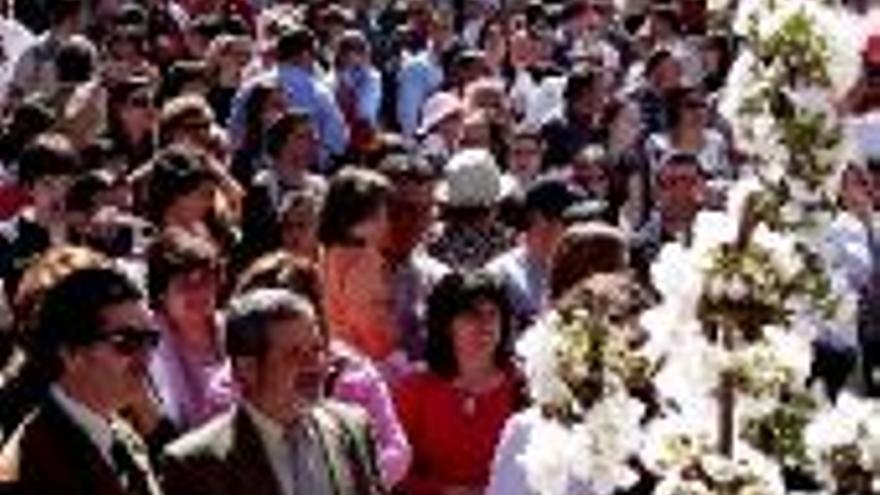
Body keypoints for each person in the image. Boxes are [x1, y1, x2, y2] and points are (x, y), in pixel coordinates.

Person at [161, 288, 386, 495]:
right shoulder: (197, 464)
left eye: (317, 349)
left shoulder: (352, 427)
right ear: (247, 369)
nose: (314, 365)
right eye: (294, 354)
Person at [0, 266, 164, 495]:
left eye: (151, 340)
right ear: (70, 353)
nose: (146, 359)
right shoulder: (28, 468)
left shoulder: (120, 433)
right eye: (126, 343)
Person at [394, 270, 522, 495]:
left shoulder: (525, 385)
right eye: (471, 315)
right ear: (446, 324)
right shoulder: (415, 388)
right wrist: (445, 492)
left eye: (492, 314)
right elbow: (395, 472)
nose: (484, 325)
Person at [487, 176, 584, 334]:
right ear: (538, 220)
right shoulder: (502, 274)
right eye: (570, 221)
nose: (579, 229)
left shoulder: (582, 268)